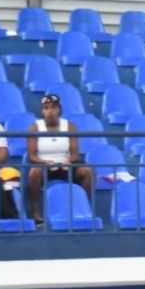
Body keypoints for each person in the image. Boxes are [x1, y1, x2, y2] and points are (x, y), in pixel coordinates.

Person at [26, 93, 93, 224]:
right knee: (34, 171)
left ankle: (85, 208)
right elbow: (31, 156)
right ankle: (35, 212)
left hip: (65, 164)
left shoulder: (69, 126)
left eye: (53, 107)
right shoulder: (35, 127)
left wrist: (68, 162)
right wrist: (45, 162)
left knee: (87, 171)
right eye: (46, 108)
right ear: (42, 111)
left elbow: (75, 154)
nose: (50, 111)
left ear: (59, 110)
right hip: (45, 165)